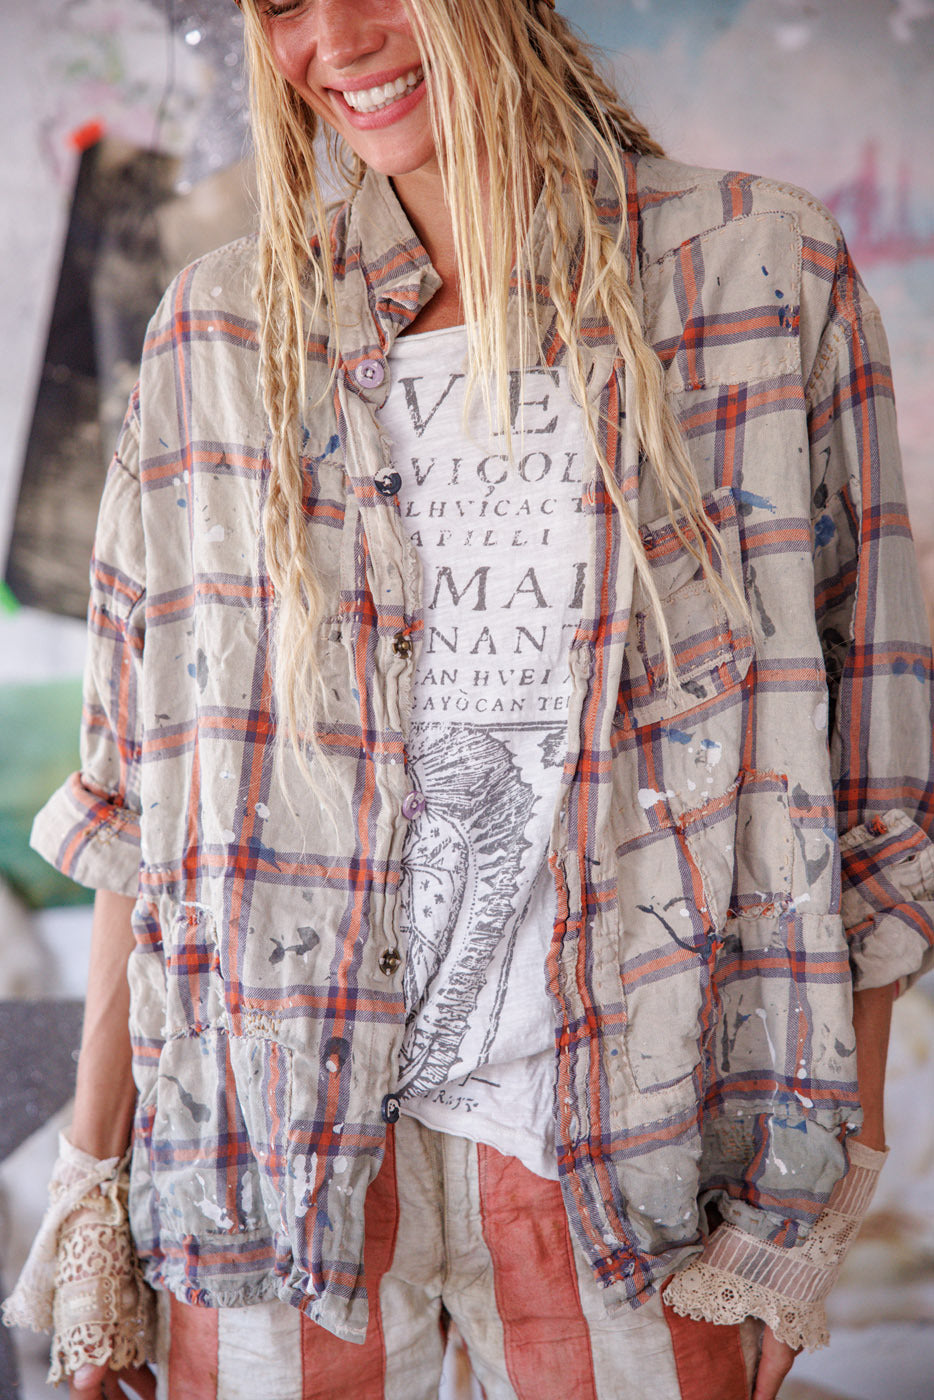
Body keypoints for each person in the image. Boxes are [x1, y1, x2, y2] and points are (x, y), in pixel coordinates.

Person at [4, 1, 933, 1397]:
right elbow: (149, 801)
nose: (337, 39)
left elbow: (875, 778)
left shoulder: (758, 268)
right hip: (269, 1161)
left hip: (639, 1161)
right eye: (285, 3)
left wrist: (816, 1199)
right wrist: (91, 1183)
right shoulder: (220, 328)